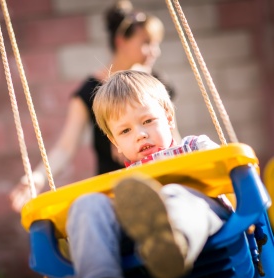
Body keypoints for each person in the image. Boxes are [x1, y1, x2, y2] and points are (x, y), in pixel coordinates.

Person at [49, 70, 233, 278]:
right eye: (125, 130)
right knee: (88, 204)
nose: (140, 134)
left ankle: (172, 244)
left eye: (147, 121)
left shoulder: (194, 147)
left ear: (168, 118)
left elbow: (234, 170)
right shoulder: (122, 181)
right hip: (140, 250)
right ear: (115, 142)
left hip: (206, 225)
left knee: (173, 194)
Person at [10, 0, 180, 212]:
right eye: (146, 42)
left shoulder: (157, 83)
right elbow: (65, 147)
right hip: (117, 189)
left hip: (163, 179)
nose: (155, 52)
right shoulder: (90, 91)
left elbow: (175, 135)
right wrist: (38, 176)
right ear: (121, 41)